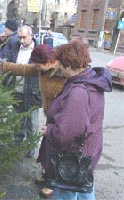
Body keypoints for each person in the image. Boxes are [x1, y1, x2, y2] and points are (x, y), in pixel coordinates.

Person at [37, 40, 112, 199]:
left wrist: (50, 130)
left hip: (71, 160)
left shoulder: (78, 92)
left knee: (67, 192)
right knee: (84, 188)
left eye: (60, 64)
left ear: (69, 66)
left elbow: (68, 134)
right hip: (88, 151)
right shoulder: (92, 80)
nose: (58, 67)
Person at [0, 44, 66, 197]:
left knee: (57, 152)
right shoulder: (42, 69)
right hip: (51, 116)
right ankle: (47, 174)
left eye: (38, 64)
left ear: (48, 62)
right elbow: (22, 69)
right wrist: (1, 65)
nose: (36, 67)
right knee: (46, 149)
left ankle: (54, 183)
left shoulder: (64, 74)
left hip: (63, 119)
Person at [0, 25, 41, 157]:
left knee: (32, 122)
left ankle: (30, 147)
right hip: (16, 91)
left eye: (24, 37)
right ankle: (17, 144)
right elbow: (7, 63)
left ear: (31, 36)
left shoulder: (39, 50)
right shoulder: (14, 48)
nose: (22, 40)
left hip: (33, 93)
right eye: (20, 37)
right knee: (18, 120)